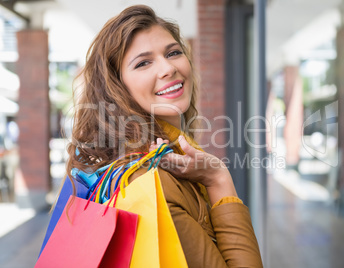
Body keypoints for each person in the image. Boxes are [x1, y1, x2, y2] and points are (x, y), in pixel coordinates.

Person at [66, 5, 263, 267]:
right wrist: (218, 179)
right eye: (144, 62)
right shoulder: (151, 183)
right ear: (116, 87)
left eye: (173, 52)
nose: (168, 68)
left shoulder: (176, 156)